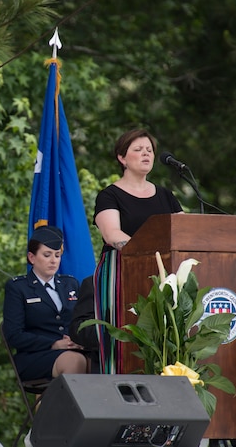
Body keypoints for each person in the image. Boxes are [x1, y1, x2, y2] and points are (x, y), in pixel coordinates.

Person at [93, 129, 183, 373]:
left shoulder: (165, 196)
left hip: (166, 277)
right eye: (138, 149)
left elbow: (186, 233)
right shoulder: (109, 195)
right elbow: (113, 235)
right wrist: (151, 255)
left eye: (149, 150)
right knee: (124, 341)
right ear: (122, 158)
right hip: (122, 274)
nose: (146, 154)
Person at [2, 226, 89, 381]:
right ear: (32, 257)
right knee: (75, 362)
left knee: (104, 359)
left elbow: (82, 321)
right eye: (47, 255)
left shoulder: (70, 284)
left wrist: (80, 342)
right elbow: (14, 335)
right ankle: (64, 406)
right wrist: (54, 344)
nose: (53, 260)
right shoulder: (18, 287)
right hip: (36, 355)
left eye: (57, 255)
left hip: (74, 350)